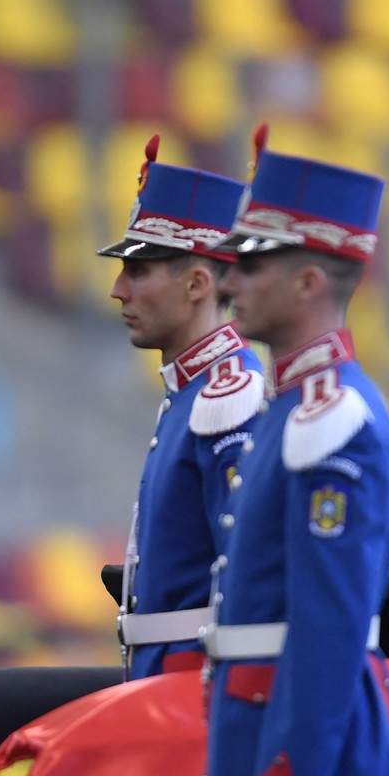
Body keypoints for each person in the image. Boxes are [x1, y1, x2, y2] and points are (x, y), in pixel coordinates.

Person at [182, 129, 389, 776]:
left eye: (253, 264)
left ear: (310, 282)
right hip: (270, 754)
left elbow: (326, 634)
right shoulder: (292, 407)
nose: (228, 282)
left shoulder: (329, 419)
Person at [98, 134, 264, 680]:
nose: (118, 289)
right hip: (167, 675)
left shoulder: (229, 397)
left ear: (196, 283)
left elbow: (246, 580)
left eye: (138, 271)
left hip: (194, 684)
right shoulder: (192, 389)